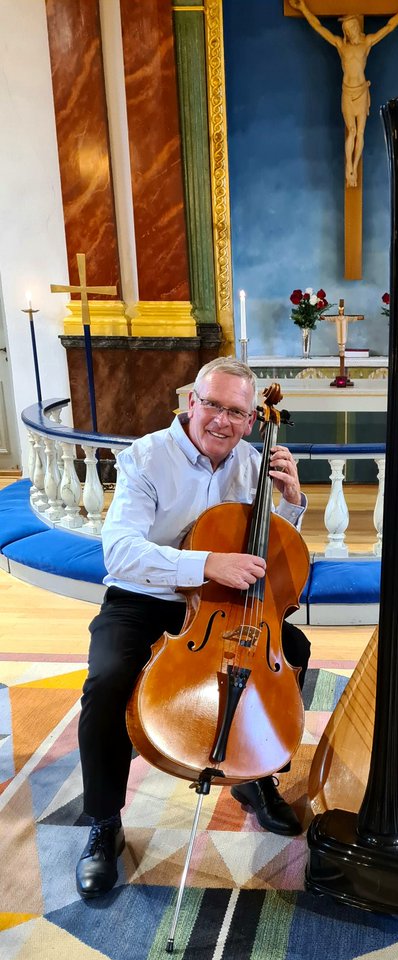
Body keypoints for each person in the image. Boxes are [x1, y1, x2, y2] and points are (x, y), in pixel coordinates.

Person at [76, 357, 311, 898]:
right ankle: (103, 822)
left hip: (222, 607)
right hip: (146, 597)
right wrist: (204, 564)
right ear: (190, 403)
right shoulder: (146, 457)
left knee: (291, 650)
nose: (221, 421)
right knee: (108, 681)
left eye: (236, 411)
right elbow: (121, 551)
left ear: (253, 420)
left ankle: (254, 778)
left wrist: (293, 505)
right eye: (212, 405)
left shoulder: (253, 464)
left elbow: (274, 560)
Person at [290, 0, 398, 187]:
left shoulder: (366, 44)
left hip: (361, 92)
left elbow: (389, 27)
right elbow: (318, 27)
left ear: (356, 27)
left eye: (352, 28)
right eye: (347, 31)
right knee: (351, 131)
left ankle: (354, 166)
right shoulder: (341, 46)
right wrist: (303, 8)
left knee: (360, 132)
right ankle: (348, 168)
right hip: (347, 93)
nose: (350, 33)